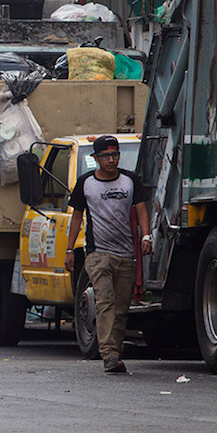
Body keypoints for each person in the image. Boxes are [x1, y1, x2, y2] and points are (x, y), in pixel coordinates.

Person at [65, 135, 151, 373]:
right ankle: (109, 354)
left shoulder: (130, 181)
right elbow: (76, 218)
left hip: (125, 255)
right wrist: (69, 249)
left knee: (122, 307)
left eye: (115, 155)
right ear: (96, 159)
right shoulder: (85, 183)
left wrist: (146, 236)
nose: (111, 160)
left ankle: (116, 350)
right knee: (105, 302)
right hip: (98, 253)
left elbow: (141, 209)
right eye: (106, 156)